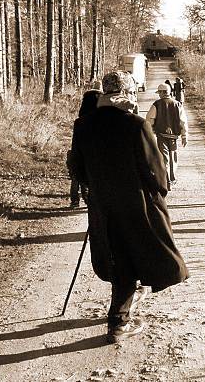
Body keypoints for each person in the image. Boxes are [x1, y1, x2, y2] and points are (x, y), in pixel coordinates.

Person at [70, 71, 189, 343]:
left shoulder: (83, 125)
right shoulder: (135, 124)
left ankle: (121, 312)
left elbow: (77, 168)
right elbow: (155, 169)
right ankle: (118, 323)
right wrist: (160, 191)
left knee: (116, 255)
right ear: (127, 93)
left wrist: (95, 188)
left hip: (102, 204)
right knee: (137, 252)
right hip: (135, 203)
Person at [146, 83, 188, 189]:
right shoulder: (178, 104)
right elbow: (183, 122)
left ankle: (166, 180)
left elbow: (149, 119)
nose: (159, 95)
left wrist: (149, 133)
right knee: (173, 157)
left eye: (159, 92)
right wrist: (184, 136)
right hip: (173, 137)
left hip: (161, 136)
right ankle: (171, 179)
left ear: (162, 92)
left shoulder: (156, 104)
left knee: (164, 158)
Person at [68, 80, 103, 207]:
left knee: (77, 174)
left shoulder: (81, 119)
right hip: (95, 149)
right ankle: (89, 199)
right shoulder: (100, 105)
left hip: (81, 148)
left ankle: (75, 200)